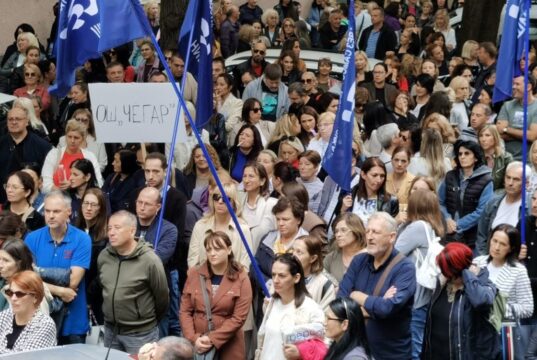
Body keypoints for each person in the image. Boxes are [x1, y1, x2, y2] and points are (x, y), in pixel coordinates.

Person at [338, 212, 416, 359]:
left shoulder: (405, 268)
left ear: (392, 237)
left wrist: (357, 296)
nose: (369, 237)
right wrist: (376, 306)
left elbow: (387, 308)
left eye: (376, 232)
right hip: (356, 351)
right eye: (367, 231)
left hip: (389, 354)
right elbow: (340, 302)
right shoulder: (358, 261)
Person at [25, 191, 91, 344]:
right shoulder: (32, 238)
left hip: (73, 320)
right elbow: (27, 280)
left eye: (56, 211)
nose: (51, 216)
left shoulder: (82, 239)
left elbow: (73, 281)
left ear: (68, 211)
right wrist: (61, 290)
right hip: (40, 319)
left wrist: (38, 273)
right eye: (47, 211)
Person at [99, 210, 169, 354]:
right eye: (109, 228)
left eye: (117, 228)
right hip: (111, 331)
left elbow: (162, 297)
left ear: (132, 231)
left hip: (140, 333)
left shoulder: (150, 260)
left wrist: (143, 318)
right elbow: (105, 287)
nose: (111, 233)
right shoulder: (104, 256)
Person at [180, 231, 252, 359]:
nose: (212, 253)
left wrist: (211, 338)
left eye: (218, 249)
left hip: (229, 345)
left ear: (229, 250)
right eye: (209, 249)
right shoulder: (194, 274)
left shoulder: (241, 277)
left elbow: (239, 318)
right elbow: (185, 311)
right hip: (198, 343)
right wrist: (193, 338)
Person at [421, 242, 499, 360]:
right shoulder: (442, 283)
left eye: (447, 271)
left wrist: (467, 274)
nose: (443, 273)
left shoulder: (484, 286)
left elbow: (481, 301)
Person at [395, 189, 445, 359]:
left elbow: (392, 254)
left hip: (414, 298)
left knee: (413, 348)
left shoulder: (418, 227)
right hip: (423, 297)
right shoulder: (431, 228)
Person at [475, 224, 533, 357]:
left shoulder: (518, 271)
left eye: (503, 244)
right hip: (477, 330)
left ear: (511, 248)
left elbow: (528, 308)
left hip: (502, 334)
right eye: (494, 241)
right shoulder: (478, 263)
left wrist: (499, 308)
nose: (496, 247)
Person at [256, 253, 326, 360]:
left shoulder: (311, 308)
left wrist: (300, 352)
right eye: (273, 275)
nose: (275, 280)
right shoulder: (272, 303)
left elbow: (323, 345)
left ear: (296, 278)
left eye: (282, 275)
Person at [439, 140, 494, 248]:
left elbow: (482, 211)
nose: (462, 157)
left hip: (471, 238)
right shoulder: (450, 176)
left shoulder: (486, 180)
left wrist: (458, 225)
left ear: (476, 157)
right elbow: (439, 201)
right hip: (447, 234)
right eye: (460, 154)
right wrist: (447, 219)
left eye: (467, 153)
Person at [188, 183, 253, 269]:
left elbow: (245, 265)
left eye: (225, 199)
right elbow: (193, 261)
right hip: (202, 279)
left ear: (233, 202)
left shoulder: (243, 229)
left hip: (234, 280)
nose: (220, 201)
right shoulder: (200, 225)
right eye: (216, 197)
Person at [476, 161, 529, 255]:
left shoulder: (530, 207)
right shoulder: (493, 202)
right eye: (508, 177)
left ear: (526, 183)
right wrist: (483, 259)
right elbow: (482, 235)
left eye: (516, 179)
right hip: (489, 260)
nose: (510, 183)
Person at [0, 107, 51, 204]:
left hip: (33, 203)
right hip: (4, 202)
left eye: (18, 119)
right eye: (10, 119)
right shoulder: (1, 144)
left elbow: (47, 177)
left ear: (27, 122)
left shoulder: (43, 146)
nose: (14, 122)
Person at [0, 271, 56, 354]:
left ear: (35, 298)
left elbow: (24, 357)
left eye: (19, 294)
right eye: (10, 293)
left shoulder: (45, 324)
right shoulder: (4, 316)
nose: (13, 298)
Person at [41, 119, 103, 194]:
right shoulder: (54, 154)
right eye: (69, 137)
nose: (72, 140)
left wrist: (73, 186)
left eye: (76, 138)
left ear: (83, 139)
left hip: (81, 200)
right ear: (65, 136)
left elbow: (98, 183)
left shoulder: (90, 156)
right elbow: (45, 185)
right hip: (57, 200)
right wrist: (62, 191)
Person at [75, 188, 107, 324]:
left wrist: (88, 296)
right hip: (74, 291)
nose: (88, 208)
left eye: (93, 205)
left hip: (95, 296)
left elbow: (103, 272)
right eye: (85, 203)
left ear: (100, 208)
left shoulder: (105, 235)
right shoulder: (74, 230)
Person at [342, 157, 399, 225]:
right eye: (374, 175)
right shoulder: (351, 194)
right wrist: (343, 209)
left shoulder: (391, 201)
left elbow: (391, 230)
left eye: (382, 176)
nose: (379, 180)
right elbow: (341, 224)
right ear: (363, 174)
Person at [496, 75, 537, 160]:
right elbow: (499, 133)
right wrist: (524, 135)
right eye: (513, 84)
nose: (513, 87)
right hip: (506, 159)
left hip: (529, 161)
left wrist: (506, 130)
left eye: (517, 84)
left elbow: (532, 136)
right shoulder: (507, 105)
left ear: (528, 87)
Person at [240, 162, 277, 250]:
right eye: (244, 176)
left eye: (251, 176)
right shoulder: (237, 200)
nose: (246, 180)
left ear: (262, 181)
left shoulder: (271, 204)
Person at [292, 235, 335, 310]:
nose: (293, 255)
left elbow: (325, 316)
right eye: (292, 250)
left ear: (312, 258)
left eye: (299, 252)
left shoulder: (324, 285)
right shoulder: (283, 276)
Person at [57, 108, 107, 172]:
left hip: (91, 177)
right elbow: (57, 161)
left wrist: (86, 174)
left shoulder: (98, 141)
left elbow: (102, 164)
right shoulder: (63, 140)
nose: (80, 122)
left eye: (84, 120)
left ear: (89, 124)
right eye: (77, 120)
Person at [102, 149, 141, 213]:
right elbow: (103, 192)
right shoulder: (111, 177)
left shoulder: (133, 182)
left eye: (117, 161)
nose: (113, 163)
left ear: (125, 163)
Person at [386, 146, 415, 214]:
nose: (399, 164)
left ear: (409, 162)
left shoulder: (414, 181)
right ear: (391, 160)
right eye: (396, 160)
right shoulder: (384, 179)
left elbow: (415, 206)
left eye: (403, 161)